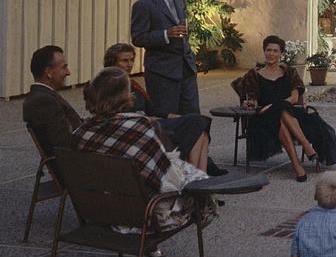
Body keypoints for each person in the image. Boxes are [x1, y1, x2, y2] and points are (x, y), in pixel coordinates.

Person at [72, 66, 217, 232]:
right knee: (194, 180)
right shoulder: (138, 128)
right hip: (145, 214)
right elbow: (162, 178)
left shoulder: (80, 133)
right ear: (124, 97)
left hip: (99, 210)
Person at [103, 43, 225, 176]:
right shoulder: (110, 84)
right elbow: (116, 115)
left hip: (151, 122)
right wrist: (149, 119)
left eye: (132, 60)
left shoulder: (131, 83)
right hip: (141, 128)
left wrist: (169, 115)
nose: (130, 64)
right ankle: (194, 178)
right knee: (196, 122)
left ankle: (200, 176)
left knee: (202, 127)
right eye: (125, 60)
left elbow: (151, 108)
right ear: (113, 62)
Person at [236, 35, 336, 179]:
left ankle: (297, 166)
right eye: (268, 50)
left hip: (290, 115)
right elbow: (253, 101)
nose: (271, 54)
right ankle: (306, 148)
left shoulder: (289, 72)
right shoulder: (254, 75)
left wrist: (271, 106)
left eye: (275, 51)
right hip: (264, 119)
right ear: (264, 52)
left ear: (281, 54)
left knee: (281, 112)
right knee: (279, 114)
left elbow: (294, 98)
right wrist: (248, 103)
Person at [130, 0, 199, 116]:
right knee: (168, 120)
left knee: (193, 118)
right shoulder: (144, 4)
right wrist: (165, 35)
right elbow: (138, 37)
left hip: (186, 68)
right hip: (162, 73)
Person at [22, 45, 82, 154]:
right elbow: (64, 144)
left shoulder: (44, 96)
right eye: (64, 67)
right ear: (48, 72)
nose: (68, 72)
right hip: (76, 164)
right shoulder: (42, 101)